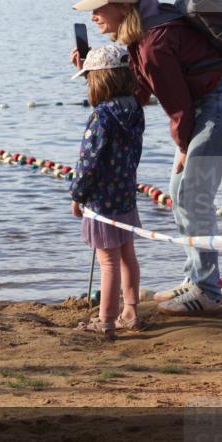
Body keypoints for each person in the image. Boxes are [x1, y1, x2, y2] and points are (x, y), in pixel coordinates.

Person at [72, 0, 222, 315]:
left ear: (122, 7)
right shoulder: (142, 36)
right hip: (213, 104)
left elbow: (177, 106)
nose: (92, 16)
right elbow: (137, 93)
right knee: (179, 191)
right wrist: (91, 72)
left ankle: (206, 291)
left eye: (98, 8)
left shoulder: (153, 42)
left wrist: (183, 148)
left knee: (193, 195)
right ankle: (196, 277)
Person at [69, 45, 146, 339]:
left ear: (99, 81)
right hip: (126, 194)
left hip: (102, 201)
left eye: (90, 79)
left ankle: (106, 320)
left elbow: (89, 162)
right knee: (127, 255)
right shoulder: (134, 109)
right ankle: (131, 312)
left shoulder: (100, 117)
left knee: (108, 261)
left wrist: (77, 194)